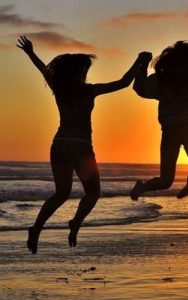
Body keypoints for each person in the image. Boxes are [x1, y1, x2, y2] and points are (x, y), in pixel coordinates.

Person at [17, 36, 145, 254]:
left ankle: (36, 228)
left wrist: (30, 52)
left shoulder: (59, 87)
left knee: (61, 193)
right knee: (93, 192)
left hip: (59, 145)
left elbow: (43, 69)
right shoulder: (88, 90)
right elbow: (123, 83)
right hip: (81, 147)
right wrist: (139, 61)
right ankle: (75, 222)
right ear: (80, 73)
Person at [130, 41, 188, 200]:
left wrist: (143, 64)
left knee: (168, 180)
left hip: (174, 132)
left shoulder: (164, 78)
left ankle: (145, 186)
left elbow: (139, 88)